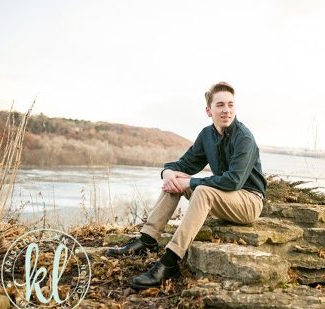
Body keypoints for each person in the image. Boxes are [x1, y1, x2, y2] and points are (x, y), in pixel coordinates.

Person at [105, 81, 267, 289]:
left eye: (230, 104)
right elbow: (184, 165)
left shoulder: (244, 138)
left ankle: (170, 262)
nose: (226, 110)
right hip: (225, 197)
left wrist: (188, 181)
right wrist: (168, 173)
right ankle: (147, 239)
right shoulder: (207, 135)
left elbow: (233, 181)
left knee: (201, 190)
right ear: (209, 110)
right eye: (220, 105)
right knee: (175, 180)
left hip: (249, 201)